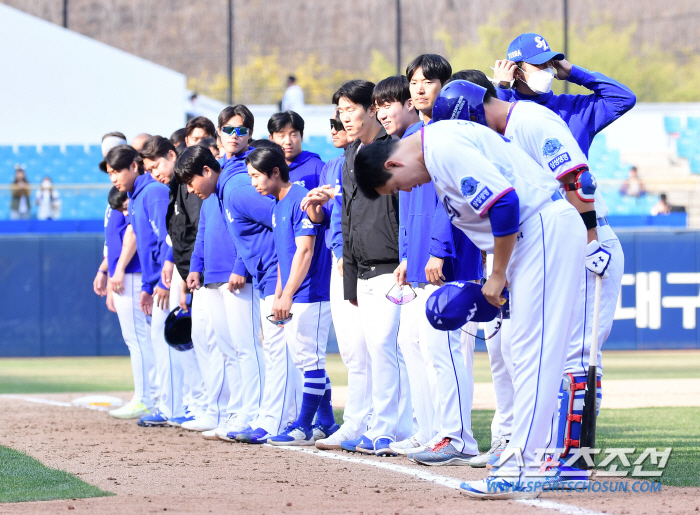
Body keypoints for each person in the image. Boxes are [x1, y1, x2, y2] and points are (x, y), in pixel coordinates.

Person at [352, 119, 587, 499]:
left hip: (541, 231)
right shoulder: (437, 150)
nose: (409, 189)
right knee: (519, 352)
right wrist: (502, 270)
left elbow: (506, 201)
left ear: (393, 165)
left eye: (398, 185)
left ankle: (523, 467)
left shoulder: (442, 148)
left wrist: (496, 273)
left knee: (533, 353)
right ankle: (528, 462)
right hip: (530, 239)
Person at [437, 74, 621, 479]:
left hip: (587, 236)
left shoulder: (530, 121)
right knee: (549, 353)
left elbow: (579, 178)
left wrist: (592, 240)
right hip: (556, 243)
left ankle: (573, 462)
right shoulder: (502, 134)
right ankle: (553, 456)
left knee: (577, 354)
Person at [174, 105, 301, 446]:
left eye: (190, 181)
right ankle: (253, 414)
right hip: (261, 275)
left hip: (271, 277)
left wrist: (277, 275)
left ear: (206, 169)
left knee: (257, 350)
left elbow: (281, 217)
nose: (189, 190)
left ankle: (264, 416)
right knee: (248, 350)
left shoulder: (236, 186)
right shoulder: (224, 185)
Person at [381, 65, 483, 466]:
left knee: (448, 351)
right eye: (415, 82)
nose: (420, 88)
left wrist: (439, 248)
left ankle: (458, 437)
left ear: (446, 88)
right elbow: (409, 203)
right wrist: (408, 253)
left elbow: (452, 195)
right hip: (421, 258)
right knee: (423, 348)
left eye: (429, 81)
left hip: (450, 259)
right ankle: (436, 431)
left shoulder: (450, 132)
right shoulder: (413, 136)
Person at [335, 79, 412, 456]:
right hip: (362, 269)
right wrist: (350, 277)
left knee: (387, 348)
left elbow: (404, 209)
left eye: (351, 109)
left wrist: (407, 257)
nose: (345, 117)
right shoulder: (351, 155)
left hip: (392, 267)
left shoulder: (393, 148)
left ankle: (389, 428)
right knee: (371, 350)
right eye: (341, 111)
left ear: (370, 109)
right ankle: (380, 425)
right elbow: (348, 217)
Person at [247, 146, 338, 445]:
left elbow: (306, 250)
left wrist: (287, 294)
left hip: (311, 293)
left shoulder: (299, 198)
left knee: (310, 362)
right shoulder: (278, 203)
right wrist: (278, 294)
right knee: (305, 361)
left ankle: (302, 426)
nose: (254, 183)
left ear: (275, 172)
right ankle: (326, 421)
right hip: (295, 293)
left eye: (256, 176)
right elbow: (284, 256)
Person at [102, 145, 186, 427]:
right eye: (110, 173)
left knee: (171, 344)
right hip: (155, 281)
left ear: (134, 167)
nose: (114, 178)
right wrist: (149, 287)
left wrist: (161, 281)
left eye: (117, 171)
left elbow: (168, 237)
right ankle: (170, 405)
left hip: (169, 278)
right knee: (160, 343)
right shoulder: (135, 197)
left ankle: (175, 406)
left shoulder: (153, 192)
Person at [302, 110, 371, 450]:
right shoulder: (331, 166)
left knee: (375, 348)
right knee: (351, 351)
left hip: (365, 260)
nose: (336, 128)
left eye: (342, 120)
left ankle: (374, 421)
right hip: (337, 261)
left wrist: (336, 197)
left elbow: (368, 206)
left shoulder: (370, 156)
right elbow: (322, 220)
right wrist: (316, 205)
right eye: (332, 124)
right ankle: (359, 420)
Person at [140, 135, 210, 429]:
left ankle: (204, 407)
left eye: (157, 165)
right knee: (194, 342)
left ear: (172, 154)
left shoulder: (188, 186)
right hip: (187, 272)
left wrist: (182, 276)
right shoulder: (174, 188)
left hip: (200, 275)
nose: (154, 173)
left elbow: (195, 233)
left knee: (207, 344)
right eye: (149, 169)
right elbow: (178, 235)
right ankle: (198, 406)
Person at [492, 32, 636, 156]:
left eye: (550, 63)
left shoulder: (574, 109)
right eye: (539, 64)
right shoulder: (506, 107)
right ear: (517, 72)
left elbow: (624, 98)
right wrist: (502, 88)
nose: (548, 69)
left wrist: (574, 72)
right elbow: (489, 134)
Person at [99, 186, 158, 419]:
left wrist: (118, 271)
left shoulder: (134, 194)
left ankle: (146, 398)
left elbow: (131, 235)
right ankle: (151, 396)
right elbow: (112, 241)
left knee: (139, 339)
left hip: (133, 274)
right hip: (123, 274)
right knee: (139, 338)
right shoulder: (117, 197)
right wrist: (106, 270)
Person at [268, 111, 324, 189]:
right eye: (281, 136)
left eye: (293, 135)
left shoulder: (318, 167)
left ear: (302, 136)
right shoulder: (266, 168)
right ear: (271, 139)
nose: (288, 142)